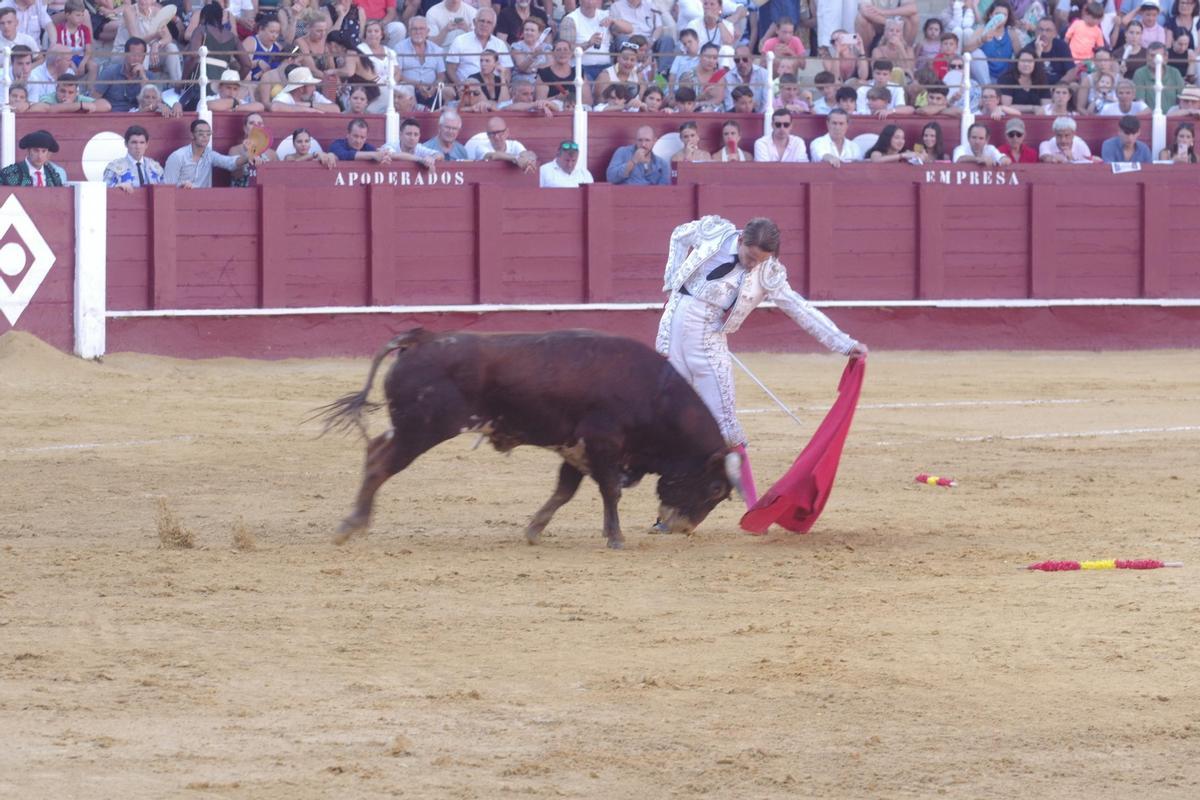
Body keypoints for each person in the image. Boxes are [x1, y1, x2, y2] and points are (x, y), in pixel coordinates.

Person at [655, 216, 868, 508]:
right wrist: (671, 281)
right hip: (672, 329)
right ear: (740, 240)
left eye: (761, 260)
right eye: (750, 257)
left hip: (708, 342)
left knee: (726, 426)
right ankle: (670, 509)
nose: (753, 265)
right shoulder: (715, 232)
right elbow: (679, 235)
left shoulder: (768, 272)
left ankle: (752, 506)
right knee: (671, 423)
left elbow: (799, 309)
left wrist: (844, 343)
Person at [163, 119, 256, 188]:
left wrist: (248, 156)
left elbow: (229, 162)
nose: (205, 136)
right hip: (180, 201)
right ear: (192, 135)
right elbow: (167, 187)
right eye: (201, 133)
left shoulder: (209, 155)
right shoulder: (177, 156)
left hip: (203, 201)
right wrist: (181, 186)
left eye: (208, 133)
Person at [103, 125, 164, 191]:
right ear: (126, 144)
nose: (138, 147)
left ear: (146, 145)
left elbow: (164, 191)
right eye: (134, 142)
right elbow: (104, 192)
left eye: (142, 143)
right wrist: (117, 187)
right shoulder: (114, 168)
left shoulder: (155, 168)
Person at [606, 124, 671, 185]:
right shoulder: (622, 152)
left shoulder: (662, 164)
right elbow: (611, 178)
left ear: (654, 141)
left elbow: (663, 190)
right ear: (636, 140)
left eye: (647, 140)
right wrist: (633, 161)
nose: (643, 144)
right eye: (640, 140)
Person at [0, 130, 66, 186]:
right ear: (28, 151)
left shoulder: (53, 176)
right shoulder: (10, 173)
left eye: (44, 151)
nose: (40, 156)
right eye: (36, 151)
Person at [330, 118, 395, 162]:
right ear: (348, 134)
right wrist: (372, 155)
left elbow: (379, 154)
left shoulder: (367, 147)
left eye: (362, 137)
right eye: (355, 136)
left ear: (366, 137)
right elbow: (345, 155)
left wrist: (384, 155)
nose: (358, 141)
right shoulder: (337, 145)